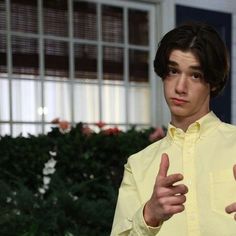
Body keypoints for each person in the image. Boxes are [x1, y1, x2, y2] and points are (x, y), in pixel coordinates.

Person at [110, 22, 236, 236]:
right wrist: (149, 215)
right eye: (173, 71)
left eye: (195, 75)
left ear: (213, 82)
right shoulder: (138, 165)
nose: (179, 87)